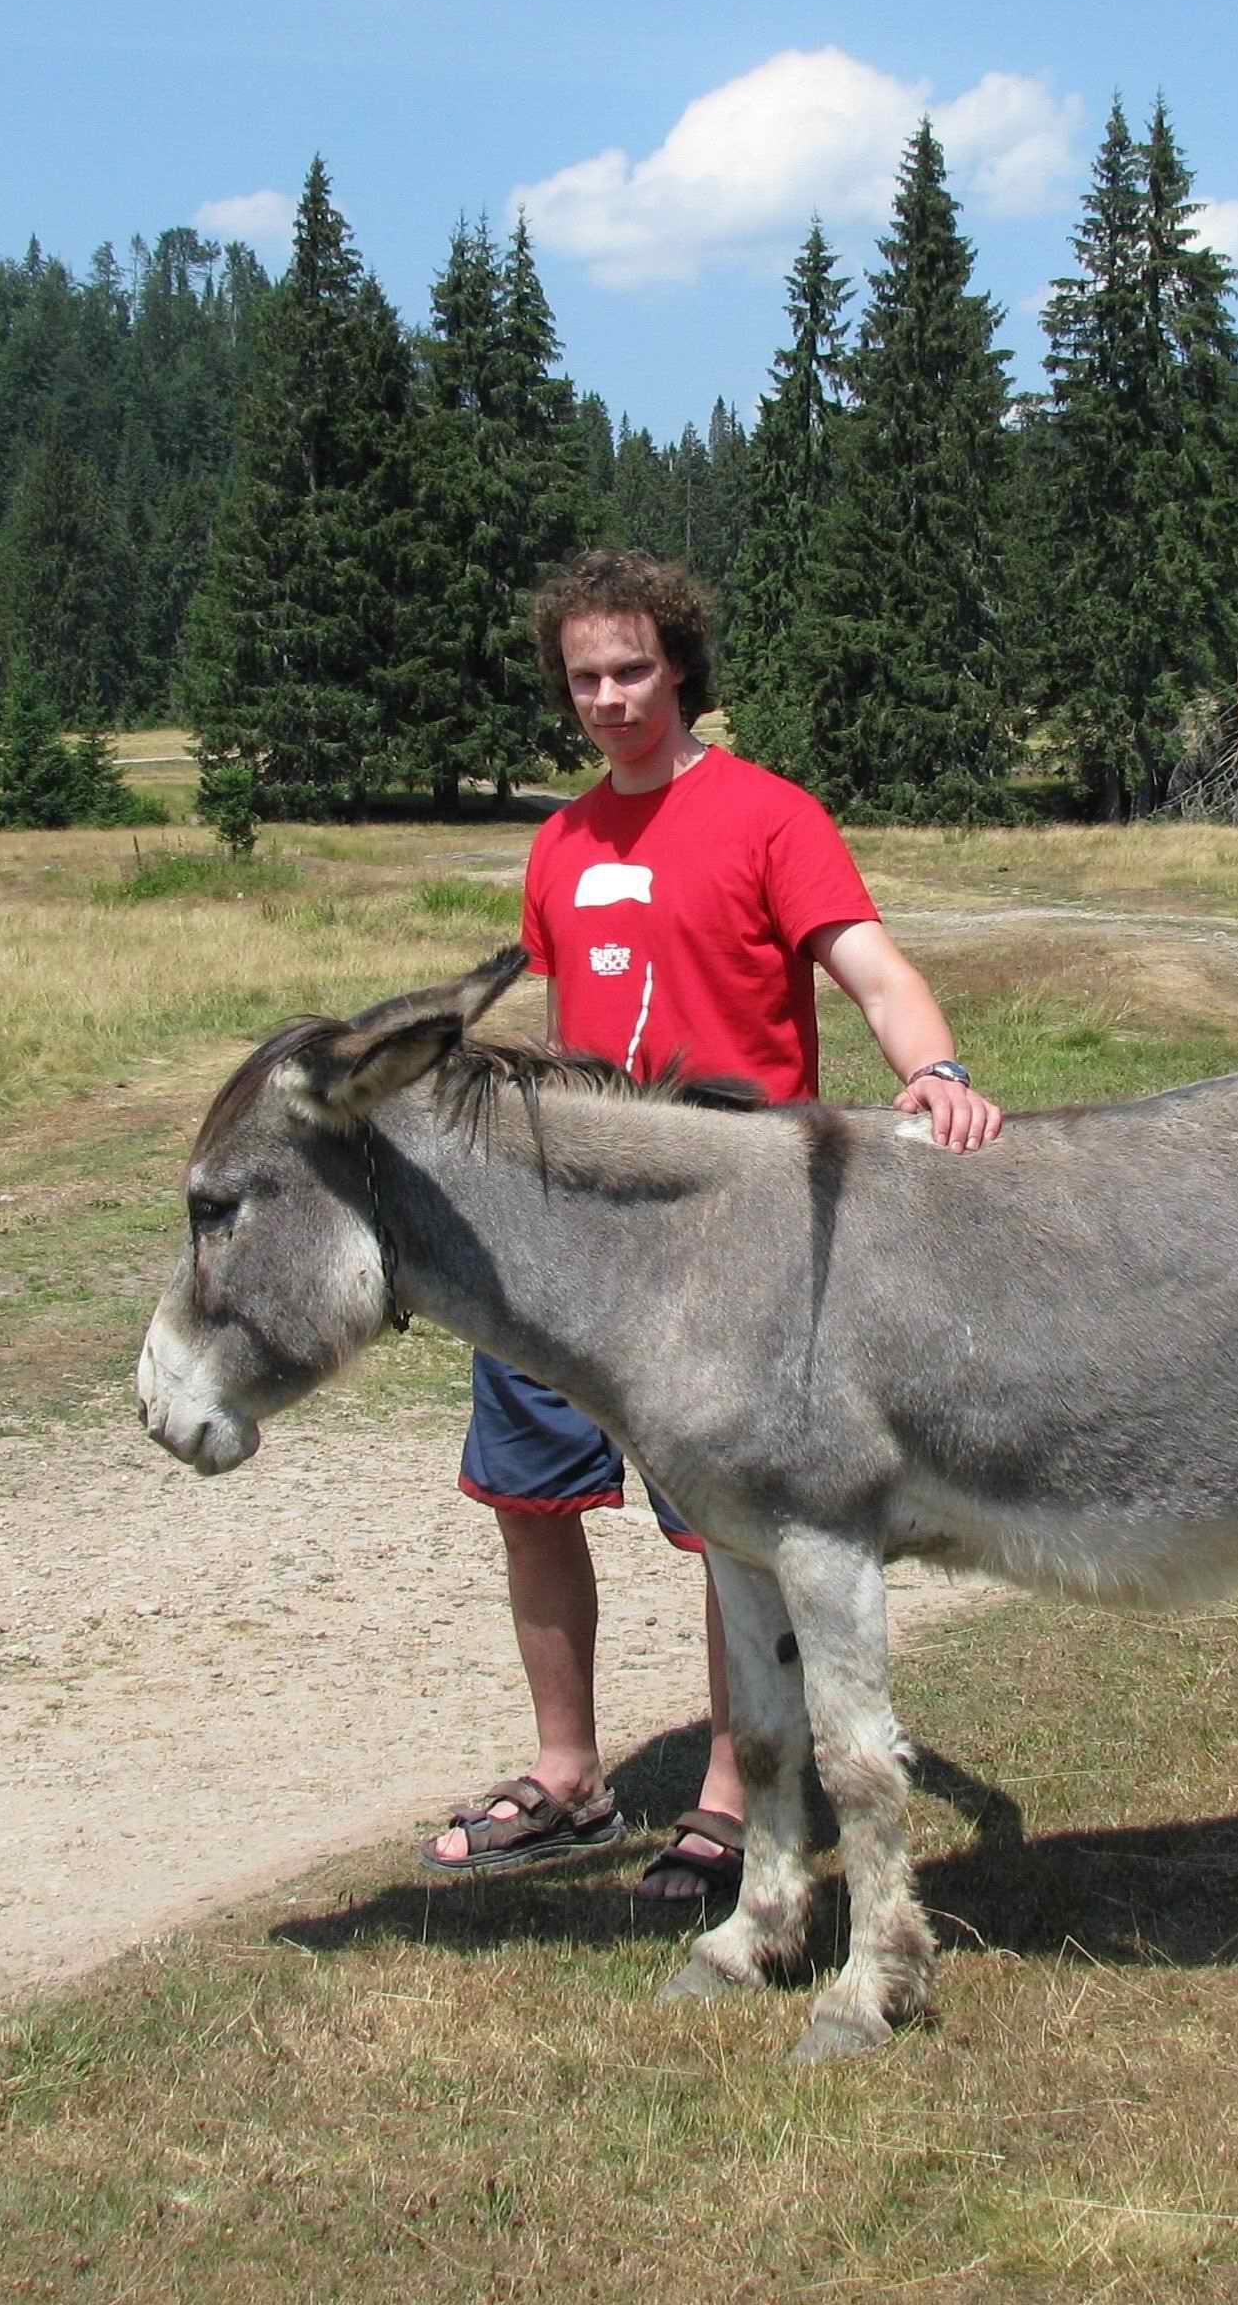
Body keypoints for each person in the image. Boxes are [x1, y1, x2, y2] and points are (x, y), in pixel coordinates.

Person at [424, 549, 1004, 1902]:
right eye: (585, 679)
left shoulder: (768, 817)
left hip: (731, 1230)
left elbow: (872, 969)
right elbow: (567, 1024)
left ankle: (732, 1801)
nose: (610, 699)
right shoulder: (561, 843)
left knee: (729, 1528)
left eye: (632, 670)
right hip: (574, 1229)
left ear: (679, 665)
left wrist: (936, 1069)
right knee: (529, 1497)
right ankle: (568, 1776)